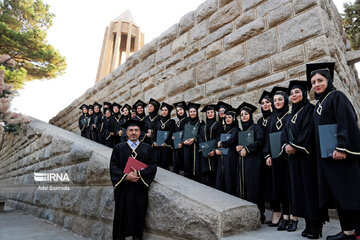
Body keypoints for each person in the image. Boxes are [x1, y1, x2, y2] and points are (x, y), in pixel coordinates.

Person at [307, 62, 360, 240]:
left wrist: (342, 147)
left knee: (349, 193)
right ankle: (347, 231)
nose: (316, 84)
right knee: (339, 195)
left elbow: (347, 120)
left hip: (340, 155)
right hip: (328, 157)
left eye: (320, 80)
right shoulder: (319, 105)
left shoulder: (336, 96)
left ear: (328, 80)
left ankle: (355, 232)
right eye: (313, 82)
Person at [281, 80, 328, 237]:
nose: (293, 95)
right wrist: (286, 146)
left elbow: (308, 130)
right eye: (292, 93)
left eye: (297, 92)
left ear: (304, 94)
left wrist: (296, 146)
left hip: (307, 157)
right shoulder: (290, 115)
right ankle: (308, 225)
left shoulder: (310, 110)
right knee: (299, 191)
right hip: (294, 159)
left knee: (310, 191)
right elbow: (284, 134)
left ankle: (316, 226)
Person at [110, 119, 157, 240]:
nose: (133, 133)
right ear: (126, 133)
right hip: (123, 189)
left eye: (136, 130)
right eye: (130, 130)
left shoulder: (147, 148)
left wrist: (140, 173)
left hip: (139, 189)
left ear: (140, 132)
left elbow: (153, 166)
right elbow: (113, 167)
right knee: (121, 216)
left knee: (139, 216)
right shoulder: (118, 148)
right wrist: (125, 176)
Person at [264, 86, 292, 230]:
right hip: (275, 158)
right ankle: (284, 217)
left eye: (280, 99)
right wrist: (267, 154)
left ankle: (292, 217)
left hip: (288, 158)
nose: (277, 102)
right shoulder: (272, 118)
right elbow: (268, 139)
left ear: (286, 100)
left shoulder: (290, 116)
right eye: (275, 100)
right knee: (280, 188)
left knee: (289, 188)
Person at [236, 102, 266, 223]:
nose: (243, 116)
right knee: (243, 187)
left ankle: (259, 215)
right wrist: (238, 147)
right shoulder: (241, 130)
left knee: (254, 187)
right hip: (242, 163)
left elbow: (260, 141)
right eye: (241, 115)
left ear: (250, 115)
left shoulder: (256, 128)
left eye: (246, 114)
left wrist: (247, 149)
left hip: (254, 162)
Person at [215, 107, 239, 196]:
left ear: (234, 118)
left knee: (229, 178)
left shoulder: (236, 129)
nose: (227, 119)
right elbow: (217, 141)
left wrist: (221, 143)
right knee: (220, 178)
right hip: (221, 157)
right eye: (226, 117)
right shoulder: (223, 129)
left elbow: (233, 140)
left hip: (230, 157)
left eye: (230, 117)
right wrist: (216, 149)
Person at [198, 104, 221, 187]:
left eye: (211, 112)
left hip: (214, 153)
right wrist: (203, 149)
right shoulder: (203, 125)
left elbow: (219, 137)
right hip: (204, 153)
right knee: (205, 173)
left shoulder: (218, 124)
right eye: (208, 113)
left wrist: (214, 150)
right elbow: (200, 137)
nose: (210, 114)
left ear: (215, 113)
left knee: (213, 172)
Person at [152, 102, 175, 170]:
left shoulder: (171, 121)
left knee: (165, 164)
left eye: (166, 110)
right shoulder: (158, 122)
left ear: (169, 111)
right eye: (162, 110)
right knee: (157, 164)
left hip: (166, 147)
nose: (164, 112)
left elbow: (171, 133)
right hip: (157, 147)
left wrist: (165, 143)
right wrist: (153, 142)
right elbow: (154, 133)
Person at [183, 102, 201, 181]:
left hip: (196, 148)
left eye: (194, 111)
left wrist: (194, 139)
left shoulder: (201, 123)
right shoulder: (186, 123)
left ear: (197, 112)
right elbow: (183, 135)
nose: (192, 113)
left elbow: (201, 135)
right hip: (187, 148)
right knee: (187, 167)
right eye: (190, 112)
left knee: (196, 167)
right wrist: (183, 141)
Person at [172, 101, 187, 174]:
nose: (179, 112)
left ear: (184, 110)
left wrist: (182, 142)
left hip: (184, 145)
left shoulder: (187, 120)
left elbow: (187, 133)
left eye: (181, 109)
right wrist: (172, 136)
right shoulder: (176, 121)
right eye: (178, 110)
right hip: (176, 144)